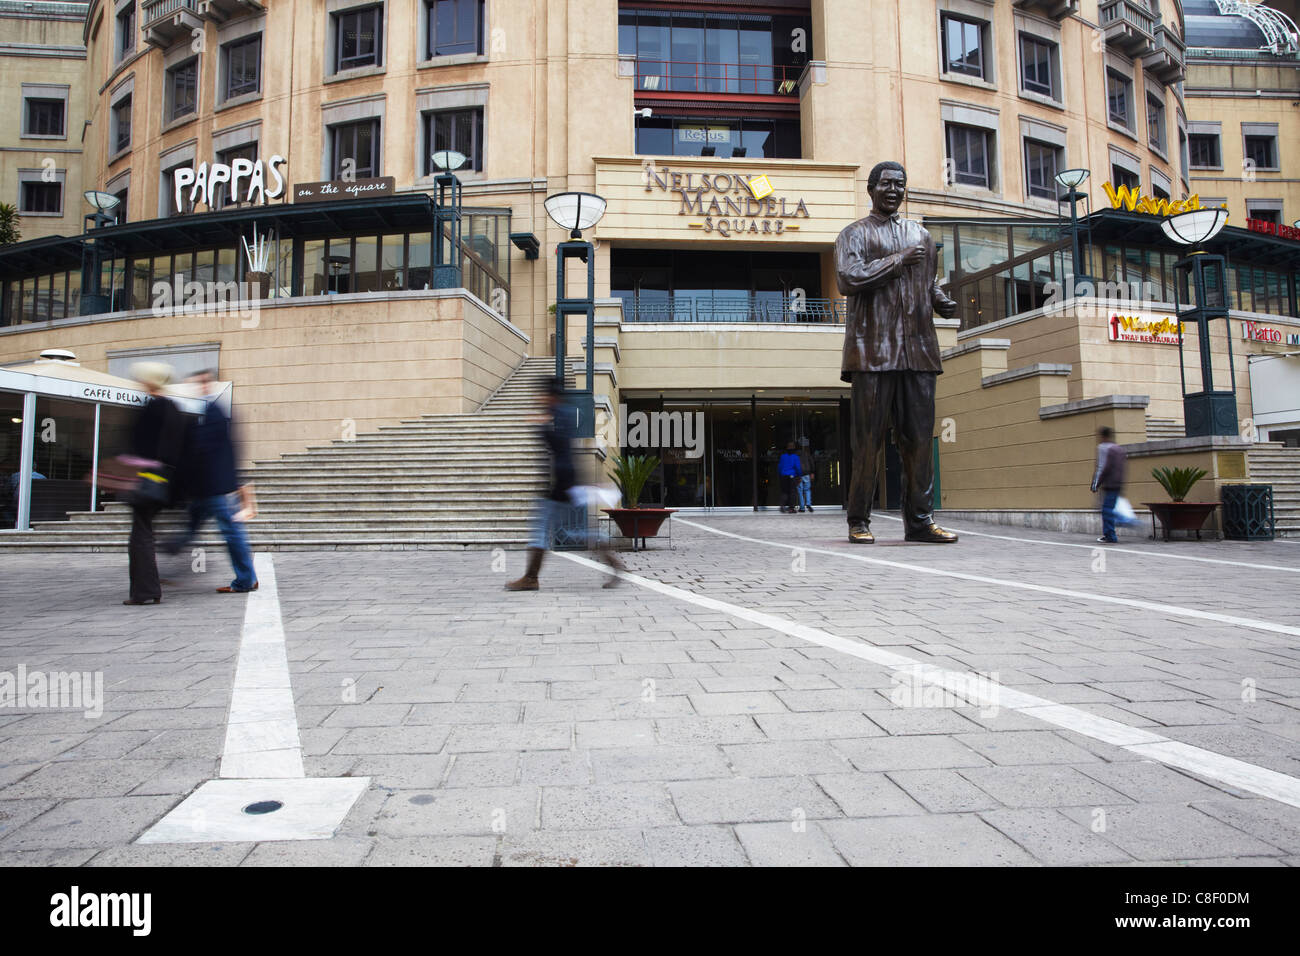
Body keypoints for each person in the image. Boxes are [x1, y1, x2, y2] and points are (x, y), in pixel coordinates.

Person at [836, 160, 960, 545]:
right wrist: (896, 262)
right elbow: (848, 278)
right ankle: (859, 519)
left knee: (920, 441)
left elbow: (928, 282)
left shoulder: (920, 234)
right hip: (872, 353)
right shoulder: (853, 234)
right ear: (870, 189)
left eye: (900, 185)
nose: (893, 190)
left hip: (919, 351)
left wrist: (941, 301)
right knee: (868, 442)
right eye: (886, 184)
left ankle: (920, 522)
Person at [506, 378, 624, 591]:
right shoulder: (563, 413)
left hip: (560, 481)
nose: (538, 398)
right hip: (566, 480)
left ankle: (531, 578)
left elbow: (558, 444)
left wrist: (541, 428)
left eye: (542, 394)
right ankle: (613, 561)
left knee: (543, 528)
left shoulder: (557, 415)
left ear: (551, 395)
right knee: (576, 531)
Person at [167, 370, 258, 593]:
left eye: (199, 383)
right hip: (207, 488)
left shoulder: (213, 413)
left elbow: (204, 451)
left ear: (207, 384)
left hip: (213, 488)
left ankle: (246, 580)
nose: (197, 387)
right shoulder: (212, 412)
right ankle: (165, 567)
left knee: (230, 531)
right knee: (193, 529)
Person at [124, 362, 187, 606]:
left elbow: (139, 445)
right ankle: (149, 589)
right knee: (144, 533)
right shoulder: (173, 408)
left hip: (148, 479)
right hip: (165, 481)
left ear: (150, 381)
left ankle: (145, 591)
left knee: (140, 536)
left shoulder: (153, 408)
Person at [1091, 426, 1128, 544]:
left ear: (1103, 436)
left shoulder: (1105, 449)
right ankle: (1110, 533)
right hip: (1118, 483)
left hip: (1109, 483)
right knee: (1109, 508)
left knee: (1107, 510)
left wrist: (1096, 483)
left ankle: (1110, 536)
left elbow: (1103, 467)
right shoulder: (1119, 449)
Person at [778, 442, 802, 513]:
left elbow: (779, 467)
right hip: (792, 476)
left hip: (783, 476)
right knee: (792, 492)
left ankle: (782, 506)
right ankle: (791, 508)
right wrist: (799, 476)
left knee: (784, 491)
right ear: (794, 448)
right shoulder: (795, 457)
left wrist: (780, 474)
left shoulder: (783, 456)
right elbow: (798, 467)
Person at [797, 439, 814, 513]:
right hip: (807, 473)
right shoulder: (807, 453)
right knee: (807, 489)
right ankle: (808, 504)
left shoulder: (796, 454)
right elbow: (811, 463)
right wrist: (812, 472)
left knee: (800, 490)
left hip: (799, 474)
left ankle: (802, 507)